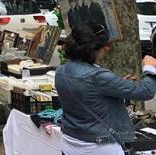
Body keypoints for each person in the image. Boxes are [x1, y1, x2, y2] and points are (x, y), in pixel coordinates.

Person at [56, 23, 156, 154]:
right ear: (93, 49)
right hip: (99, 145)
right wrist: (150, 69)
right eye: (105, 46)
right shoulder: (98, 76)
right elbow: (146, 91)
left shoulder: (61, 71)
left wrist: (119, 84)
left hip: (71, 140)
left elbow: (88, 94)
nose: (107, 49)